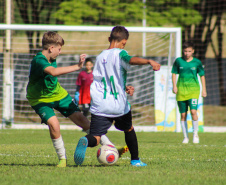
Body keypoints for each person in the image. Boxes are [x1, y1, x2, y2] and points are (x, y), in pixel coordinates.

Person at [26, 31, 126, 168]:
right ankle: (62, 159)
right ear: (51, 48)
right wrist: (78, 67)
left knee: (83, 120)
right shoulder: (39, 60)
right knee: (54, 125)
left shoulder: (51, 58)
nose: (60, 52)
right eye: (59, 49)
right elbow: (53, 72)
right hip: (39, 99)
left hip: (58, 94)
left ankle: (110, 146)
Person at [74, 25, 161, 167]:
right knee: (129, 129)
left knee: (96, 137)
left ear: (109, 39)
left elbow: (105, 79)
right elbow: (131, 59)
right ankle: (135, 160)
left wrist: (124, 87)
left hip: (100, 104)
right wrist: (149, 61)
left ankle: (86, 141)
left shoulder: (100, 56)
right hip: (118, 105)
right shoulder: (121, 53)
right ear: (124, 42)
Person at [171, 41, 207, 144]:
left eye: (189, 51)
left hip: (193, 90)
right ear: (183, 51)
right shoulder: (178, 61)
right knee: (183, 115)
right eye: (185, 51)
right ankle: (185, 137)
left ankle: (195, 134)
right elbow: (174, 73)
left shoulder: (197, 62)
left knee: (193, 112)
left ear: (193, 51)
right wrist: (174, 86)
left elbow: (202, 75)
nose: (187, 53)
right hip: (181, 91)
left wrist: (204, 89)